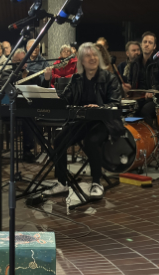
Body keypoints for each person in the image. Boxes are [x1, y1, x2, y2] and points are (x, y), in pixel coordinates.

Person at [42, 42, 123, 203]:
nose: (92, 58)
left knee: (91, 141)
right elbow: (64, 99)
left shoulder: (109, 78)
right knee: (59, 140)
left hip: (104, 122)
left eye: (94, 55)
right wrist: (47, 82)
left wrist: (100, 107)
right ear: (81, 61)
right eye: (88, 56)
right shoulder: (76, 79)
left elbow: (116, 103)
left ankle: (96, 182)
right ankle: (62, 182)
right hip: (81, 122)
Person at [121, 31, 159, 124]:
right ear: (141, 44)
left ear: (154, 46)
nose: (147, 44)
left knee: (145, 111)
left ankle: (150, 132)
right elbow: (131, 83)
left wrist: (155, 89)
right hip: (138, 99)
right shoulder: (134, 63)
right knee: (124, 112)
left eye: (150, 42)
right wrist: (127, 88)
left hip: (156, 100)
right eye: (145, 42)